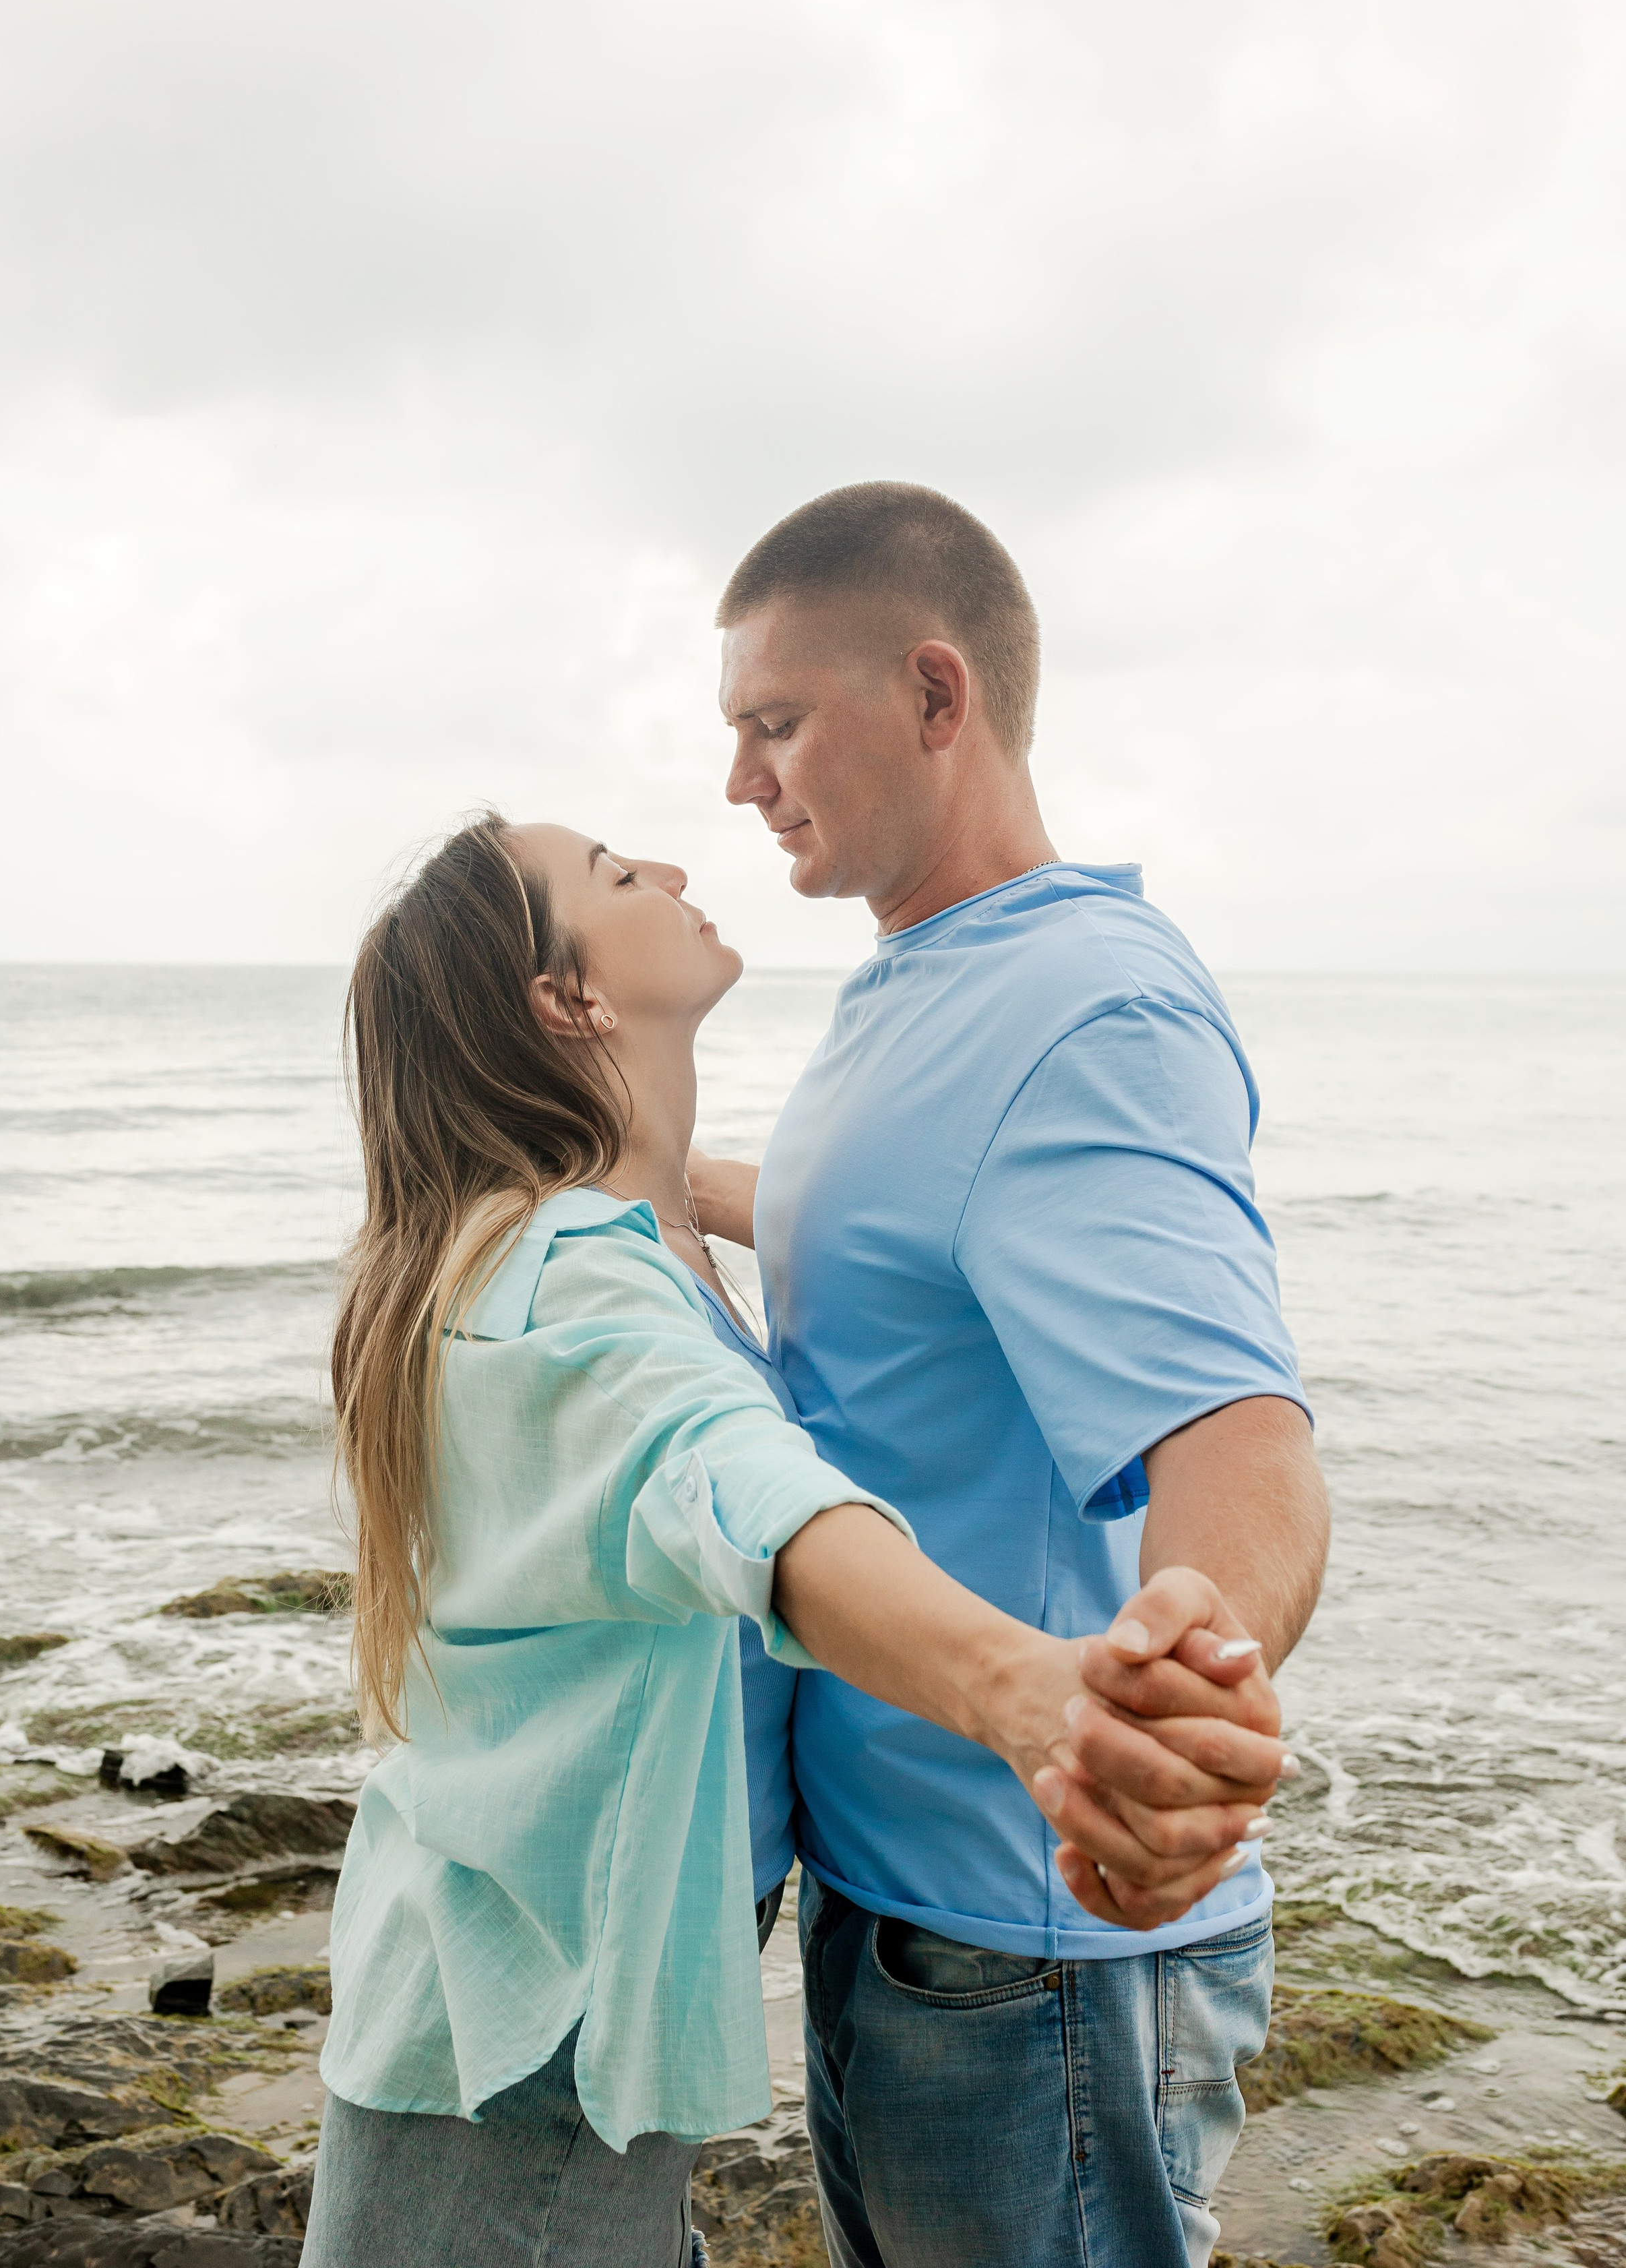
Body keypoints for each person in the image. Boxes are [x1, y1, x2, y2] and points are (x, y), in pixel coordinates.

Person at [302, 813, 1289, 2268]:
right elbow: (746, 1498)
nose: (678, 871)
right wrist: (1026, 1692)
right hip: (504, 2067)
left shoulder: (621, 1241)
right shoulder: (564, 1288)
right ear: (567, 1002)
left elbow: (841, 1251)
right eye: (619, 878)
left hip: (545, 2024)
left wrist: (723, 1185)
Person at [691, 481, 1331, 2268]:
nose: (745, 781)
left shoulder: (1083, 1008)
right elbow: (892, 1243)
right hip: (899, 1911)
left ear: (936, 695)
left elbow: (1242, 1435)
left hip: (1030, 1955)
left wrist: (1177, 1700)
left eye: (775, 724)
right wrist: (643, 1177)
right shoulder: (912, 978)